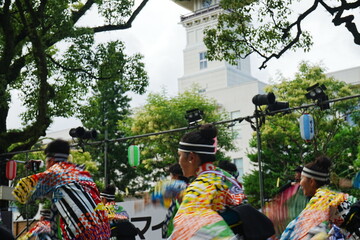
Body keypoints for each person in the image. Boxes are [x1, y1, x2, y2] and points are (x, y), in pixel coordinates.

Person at [12, 139, 110, 240]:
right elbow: (59, 196)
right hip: (104, 232)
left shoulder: (55, 173)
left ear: (51, 160)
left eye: (46, 163)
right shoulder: (83, 174)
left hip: (83, 235)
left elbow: (22, 193)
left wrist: (30, 170)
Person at [169, 124, 245, 239]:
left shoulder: (200, 188)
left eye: (180, 156)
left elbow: (184, 233)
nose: (179, 161)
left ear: (191, 158)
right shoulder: (225, 176)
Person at [280, 156, 355, 240]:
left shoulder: (322, 201)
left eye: (302, 178)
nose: (300, 183)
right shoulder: (333, 196)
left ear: (312, 182)